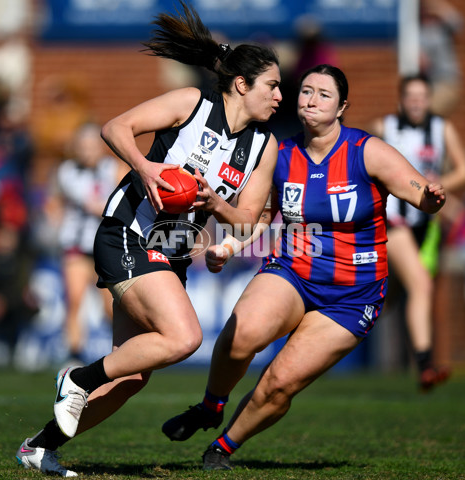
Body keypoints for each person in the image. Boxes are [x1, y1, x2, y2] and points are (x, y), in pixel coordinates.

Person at [15, 1, 281, 477]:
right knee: (185, 337)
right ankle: (77, 378)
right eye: (273, 85)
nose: (281, 95)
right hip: (129, 236)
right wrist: (147, 167)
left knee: (134, 374)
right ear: (242, 84)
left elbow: (245, 222)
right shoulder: (191, 104)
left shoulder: (264, 145)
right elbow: (114, 128)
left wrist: (215, 209)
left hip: (172, 256)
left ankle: (38, 447)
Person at [161, 64, 446, 470]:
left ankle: (222, 448)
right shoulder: (279, 152)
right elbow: (259, 217)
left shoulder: (367, 151)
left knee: (278, 384)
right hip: (294, 270)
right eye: (306, 91)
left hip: (353, 295)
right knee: (242, 334)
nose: (311, 100)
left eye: (323, 94)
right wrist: (228, 245)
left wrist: (432, 196)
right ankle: (210, 406)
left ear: (342, 106)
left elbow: (419, 192)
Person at [368, 73, 465, 391]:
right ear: (401, 99)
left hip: (425, 228)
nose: (416, 102)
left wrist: (437, 188)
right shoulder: (383, 128)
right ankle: (425, 365)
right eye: (410, 96)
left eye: (421, 96)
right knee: (422, 285)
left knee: (388, 299)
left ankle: (337, 323)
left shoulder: (442, 129)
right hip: (393, 224)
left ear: (429, 100)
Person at [51, 123, 125, 364]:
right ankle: (74, 355)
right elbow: (89, 204)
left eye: (92, 146)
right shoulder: (67, 172)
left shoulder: (114, 169)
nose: (87, 151)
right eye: (83, 146)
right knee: (74, 300)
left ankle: (123, 354)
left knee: (110, 308)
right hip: (76, 247)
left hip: (106, 248)